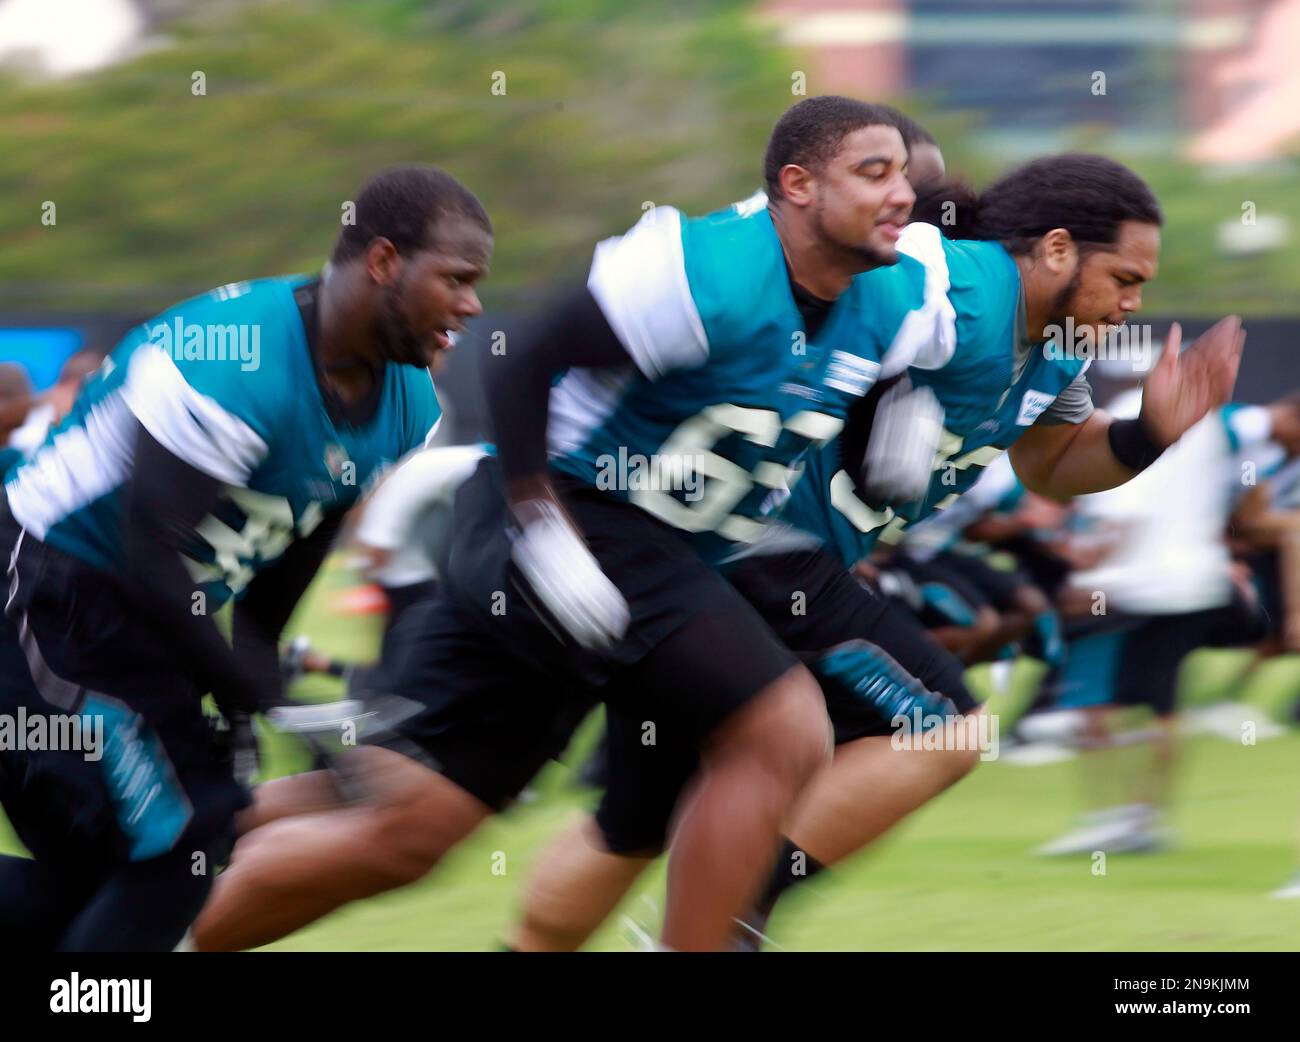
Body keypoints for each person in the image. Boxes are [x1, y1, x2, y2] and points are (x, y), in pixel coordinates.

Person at [0, 164, 490, 951]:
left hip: (128, 623)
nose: (471, 305)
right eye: (457, 279)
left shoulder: (407, 405)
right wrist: (272, 701)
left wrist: (251, 691)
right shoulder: (234, 363)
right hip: (47, 591)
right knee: (182, 844)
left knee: (109, 876)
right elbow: (149, 558)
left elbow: (283, 569)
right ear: (385, 261)